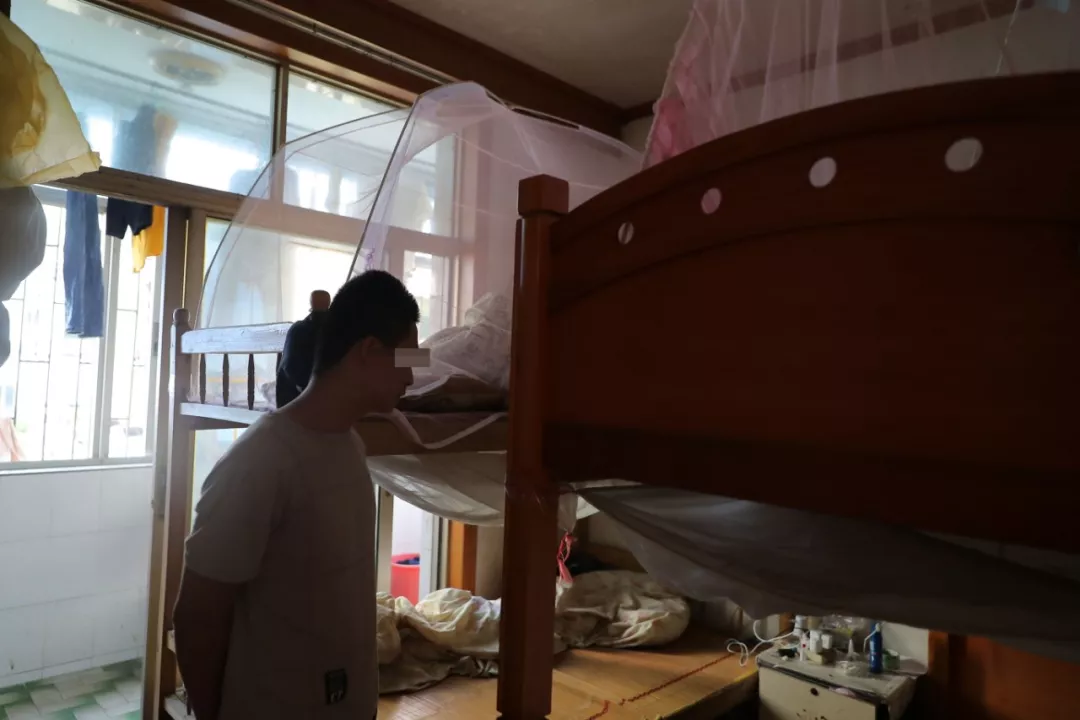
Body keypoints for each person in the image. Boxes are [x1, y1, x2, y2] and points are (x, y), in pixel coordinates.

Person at [173, 270, 420, 720]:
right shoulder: (261, 460)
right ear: (369, 351)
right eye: (406, 358)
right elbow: (197, 615)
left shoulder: (350, 445)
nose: (412, 376)